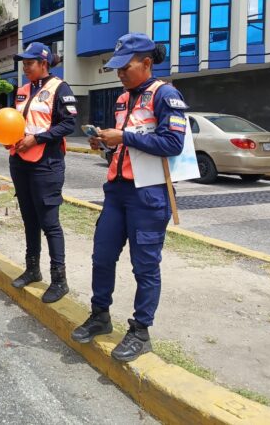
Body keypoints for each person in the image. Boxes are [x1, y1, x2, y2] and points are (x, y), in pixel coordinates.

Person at [70, 33, 187, 362]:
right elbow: (127, 144)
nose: (120, 73)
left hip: (149, 195)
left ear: (146, 63)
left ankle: (140, 331)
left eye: (126, 67)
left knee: (145, 266)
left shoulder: (166, 95)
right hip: (117, 190)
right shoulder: (123, 99)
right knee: (102, 256)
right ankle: (100, 315)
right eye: (117, 68)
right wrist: (107, 142)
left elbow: (173, 145)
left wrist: (125, 136)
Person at [7, 42, 76, 303]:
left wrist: (37, 140)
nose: (25, 67)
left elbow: (69, 124)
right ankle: (32, 269)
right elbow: (15, 122)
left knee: (49, 223)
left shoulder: (60, 88)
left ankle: (59, 280)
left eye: (30, 63)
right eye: (23, 63)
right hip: (19, 161)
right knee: (29, 219)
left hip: (46, 164)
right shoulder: (23, 90)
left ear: (44, 63)